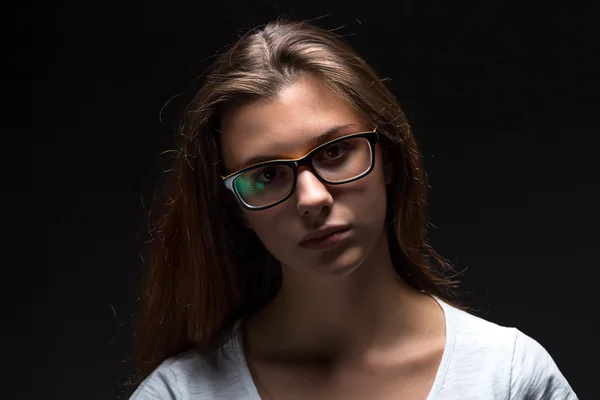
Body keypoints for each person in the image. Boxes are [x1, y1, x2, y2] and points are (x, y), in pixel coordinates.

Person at [128, 19, 577, 399]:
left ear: (391, 160)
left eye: (335, 152)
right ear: (237, 208)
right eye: (266, 174)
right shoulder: (179, 393)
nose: (312, 198)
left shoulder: (509, 378)